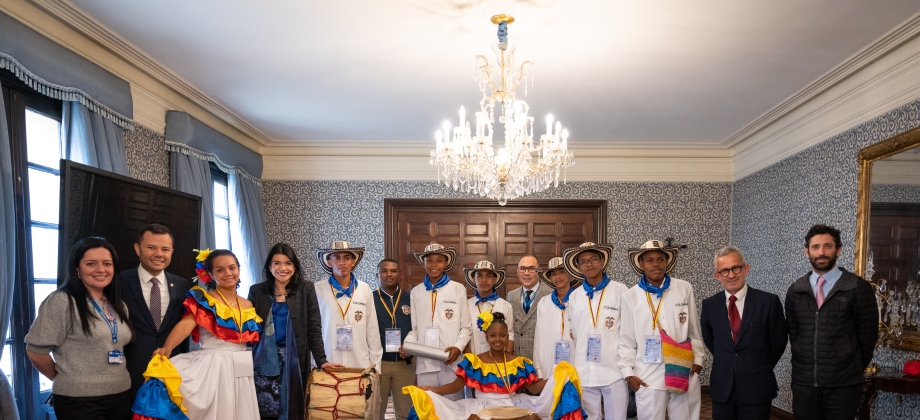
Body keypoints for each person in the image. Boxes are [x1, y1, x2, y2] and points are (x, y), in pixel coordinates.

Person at [141, 249, 262, 420]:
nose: (228, 273)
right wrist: (167, 348)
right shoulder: (204, 299)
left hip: (241, 368)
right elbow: (186, 325)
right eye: (220, 270)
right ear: (211, 275)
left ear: (239, 270)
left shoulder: (248, 304)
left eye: (232, 268)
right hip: (213, 366)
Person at [25, 237, 134, 420]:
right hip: (78, 400)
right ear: (77, 269)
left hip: (120, 394)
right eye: (91, 263)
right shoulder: (62, 301)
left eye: (107, 263)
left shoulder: (118, 305)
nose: (100, 269)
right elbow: (36, 351)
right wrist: (67, 379)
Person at [402, 312, 586, 420]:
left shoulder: (519, 362)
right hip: (481, 405)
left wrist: (558, 378)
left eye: (502, 335)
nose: (498, 339)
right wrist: (431, 389)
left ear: (508, 337)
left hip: (514, 403)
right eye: (493, 335)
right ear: (486, 337)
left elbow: (534, 387)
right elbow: (455, 386)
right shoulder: (475, 361)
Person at [785, 224, 878, 420]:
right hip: (805, 383)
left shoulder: (858, 288)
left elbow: (868, 336)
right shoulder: (795, 291)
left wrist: (851, 367)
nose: (821, 252)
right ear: (807, 252)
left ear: (838, 250)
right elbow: (795, 334)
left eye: (827, 246)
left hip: (843, 385)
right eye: (815, 247)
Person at [249, 243, 338, 420]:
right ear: (269, 266)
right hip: (263, 361)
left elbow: (314, 327)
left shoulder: (306, 289)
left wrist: (322, 360)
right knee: (266, 407)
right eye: (277, 263)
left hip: (295, 359)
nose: (283, 268)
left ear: (295, 266)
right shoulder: (257, 291)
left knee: (293, 408)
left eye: (288, 263)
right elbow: (248, 327)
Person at [619, 239, 704, 420]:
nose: (656, 264)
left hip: (683, 369)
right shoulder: (630, 296)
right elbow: (626, 340)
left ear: (667, 262)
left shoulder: (684, 288)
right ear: (641, 264)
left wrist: (698, 359)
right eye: (649, 260)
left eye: (660, 259)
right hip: (647, 374)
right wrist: (628, 374)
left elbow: (693, 328)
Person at [701, 246, 788, 420]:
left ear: (746, 268)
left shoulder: (768, 302)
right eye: (724, 271)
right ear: (717, 275)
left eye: (736, 268)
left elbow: (778, 342)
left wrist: (756, 365)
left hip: (757, 386)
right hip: (722, 387)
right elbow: (711, 340)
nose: (731, 275)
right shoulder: (710, 305)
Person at [121, 224, 190, 401]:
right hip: (130, 374)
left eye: (165, 249)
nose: (159, 254)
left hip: (171, 371)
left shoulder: (182, 285)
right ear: (138, 248)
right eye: (151, 247)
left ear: (171, 252)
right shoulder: (118, 282)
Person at [566, 242, 630, 420]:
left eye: (593, 259)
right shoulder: (575, 296)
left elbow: (627, 332)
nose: (589, 264)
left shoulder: (620, 290)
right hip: (585, 369)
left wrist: (627, 365)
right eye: (583, 261)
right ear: (578, 267)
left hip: (614, 369)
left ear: (602, 261)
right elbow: (575, 334)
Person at [400, 243, 472, 401]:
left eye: (439, 260)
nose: (434, 265)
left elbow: (466, 327)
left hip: (451, 360)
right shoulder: (416, 292)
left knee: (453, 408)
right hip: (426, 362)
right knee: (429, 406)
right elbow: (416, 330)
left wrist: (458, 348)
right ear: (423, 263)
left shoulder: (457, 289)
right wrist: (407, 345)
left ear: (445, 263)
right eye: (429, 260)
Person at [313, 241, 383, 368]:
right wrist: (314, 363)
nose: (342, 263)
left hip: (359, 363)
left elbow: (372, 330)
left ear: (353, 261)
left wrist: (376, 365)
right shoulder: (317, 290)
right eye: (337, 258)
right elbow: (312, 330)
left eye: (347, 258)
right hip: (329, 361)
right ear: (329, 262)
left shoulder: (364, 289)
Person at [373, 259, 414, 420]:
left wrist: (410, 348)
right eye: (384, 271)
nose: (389, 274)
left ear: (400, 275)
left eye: (393, 271)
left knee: (405, 412)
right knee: (375, 412)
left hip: (404, 364)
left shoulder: (411, 298)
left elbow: (417, 329)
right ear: (377, 275)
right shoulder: (369, 299)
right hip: (378, 365)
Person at [531, 257, 581, 379]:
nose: (557, 277)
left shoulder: (580, 299)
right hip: (549, 362)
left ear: (569, 274)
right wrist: (538, 367)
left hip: (575, 361)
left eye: (561, 272)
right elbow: (539, 338)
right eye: (553, 274)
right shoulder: (544, 303)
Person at [506, 255, 550, 361]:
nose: (526, 273)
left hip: (540, 360)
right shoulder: (511, 296)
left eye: (531, 269)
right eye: (522, 269)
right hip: (517, 361)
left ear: (538, 271)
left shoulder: (550, 294)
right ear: (517, 272)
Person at [464, 260, 514, 354]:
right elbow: (463, 333)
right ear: (474, 280)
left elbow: (510, 334)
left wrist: (505, 362)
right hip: (474, 359)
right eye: (479, 276)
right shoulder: (466, 305)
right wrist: (471, 361)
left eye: (489, 276)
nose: (484, 280)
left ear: (494, 280)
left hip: (498, 362)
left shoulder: (505, 306)